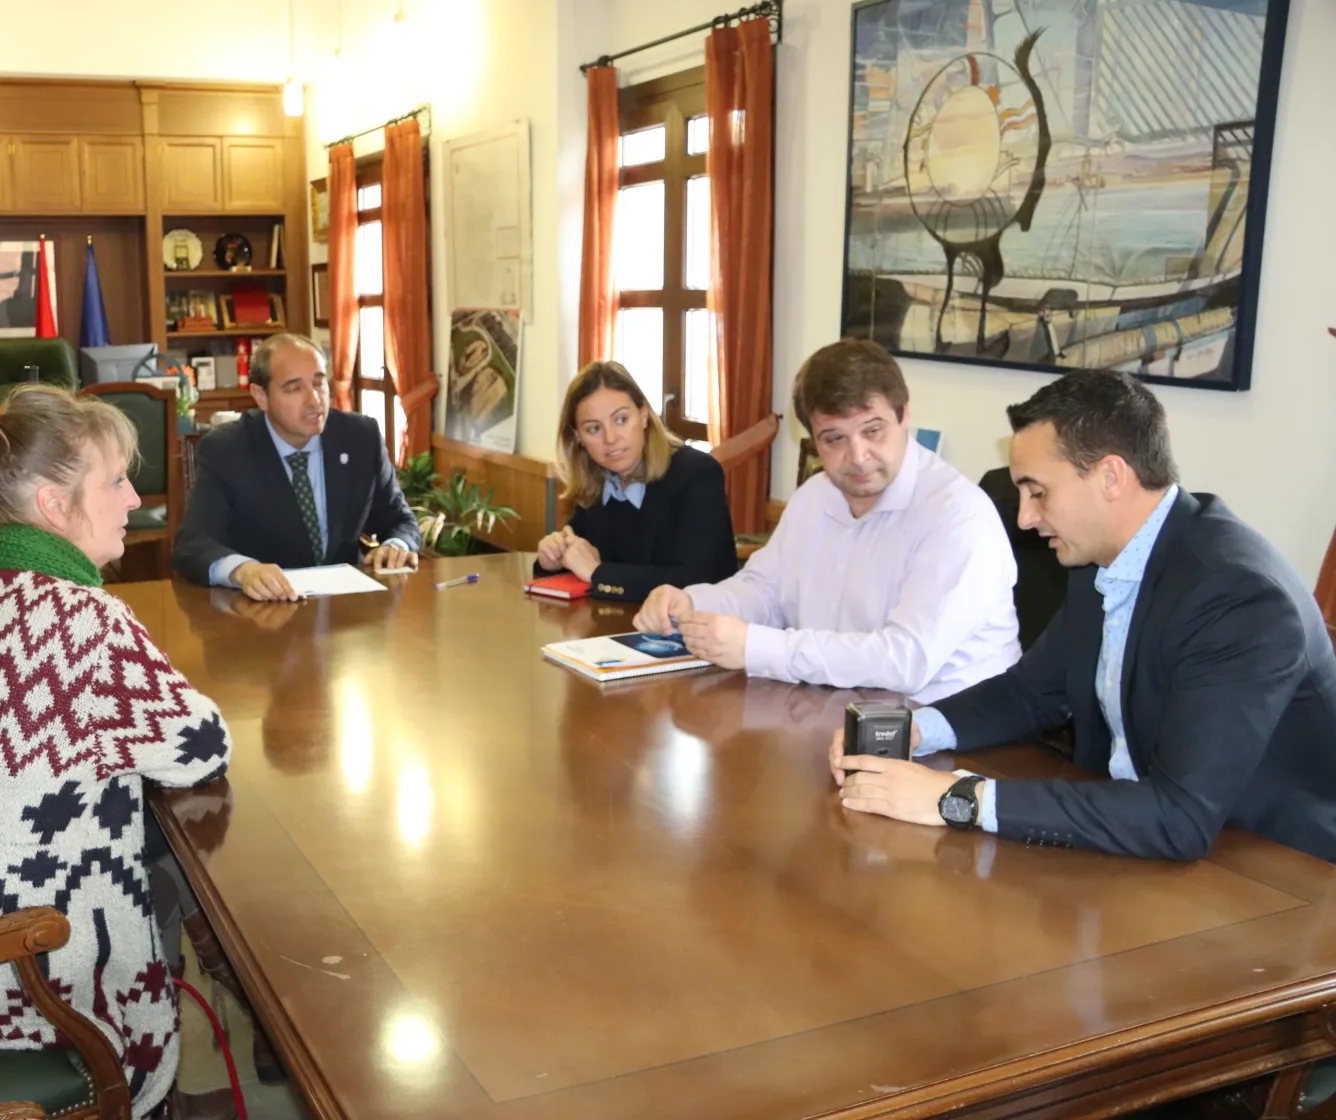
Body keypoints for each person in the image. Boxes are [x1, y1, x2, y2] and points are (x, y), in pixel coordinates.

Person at [0, 384, 234, 1118]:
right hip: (11, 984)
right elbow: (200, 745)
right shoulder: (84, 619)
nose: (132, 499)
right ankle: (150, 1101)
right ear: (56, 507)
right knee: (165, 864)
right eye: (115, 481)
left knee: (146, 855)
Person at [831, 369, 1336, 863]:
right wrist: (910, 729)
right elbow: (1029, 693)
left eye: (1038, 491)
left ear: (1111, 477)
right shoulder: (1102, 556)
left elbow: (1179, 816)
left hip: (1272, 876)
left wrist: (958, 797)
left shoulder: (1238, 597)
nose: (1025, 518)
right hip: (1134, 839)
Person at [634, 339, 1020, 703]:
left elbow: (906, 660)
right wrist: (691, 602)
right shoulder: (815, 497)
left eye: (872, 430)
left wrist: (756, 647)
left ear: (904, 416)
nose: (858, 456)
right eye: (835, 439)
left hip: (954, 737)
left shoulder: (957, 515)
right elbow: (765, 592)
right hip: (833, 711)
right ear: (814, 441)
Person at [172, 333, 421, 600]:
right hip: (260, 613)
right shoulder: (227, 450)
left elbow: (400, 520)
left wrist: (396, 545)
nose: (314, 400)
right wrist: (242, 570)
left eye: (319, 383)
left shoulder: (361, 438)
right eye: (294, 388)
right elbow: (193, 544)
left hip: (346, 610)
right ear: (261, 396)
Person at [536, 361, 737, 602]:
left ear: (644, 415)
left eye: (621, 420)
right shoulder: (598, 482)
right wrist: (553, 559)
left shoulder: (696, 474)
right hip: (615, 628)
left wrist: (599, 573)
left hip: (690, 632)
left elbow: (699, 579)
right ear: (578, 437)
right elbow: (577, 555)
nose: (610, 439)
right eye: (593, 429)